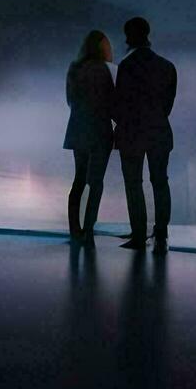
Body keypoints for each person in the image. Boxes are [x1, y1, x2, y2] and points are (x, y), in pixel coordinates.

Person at [113, 16, 177, 253]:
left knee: (134, 184)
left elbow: (119, 104)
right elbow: (168, 106)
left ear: (130, 37)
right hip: (160, 131)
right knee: (160, 182)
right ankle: (161, 233)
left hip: (133, 133)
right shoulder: (167, 66)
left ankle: (138, 235)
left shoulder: (127, 67)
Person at [63, 29, 115, 244]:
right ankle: (88, 229)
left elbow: (70, 100)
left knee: (79, 180)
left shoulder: (74, 69)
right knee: (96, 183)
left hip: (78, 128)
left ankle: (75, 229)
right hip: (99, 131)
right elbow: (112, 101)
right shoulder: (104, 70)